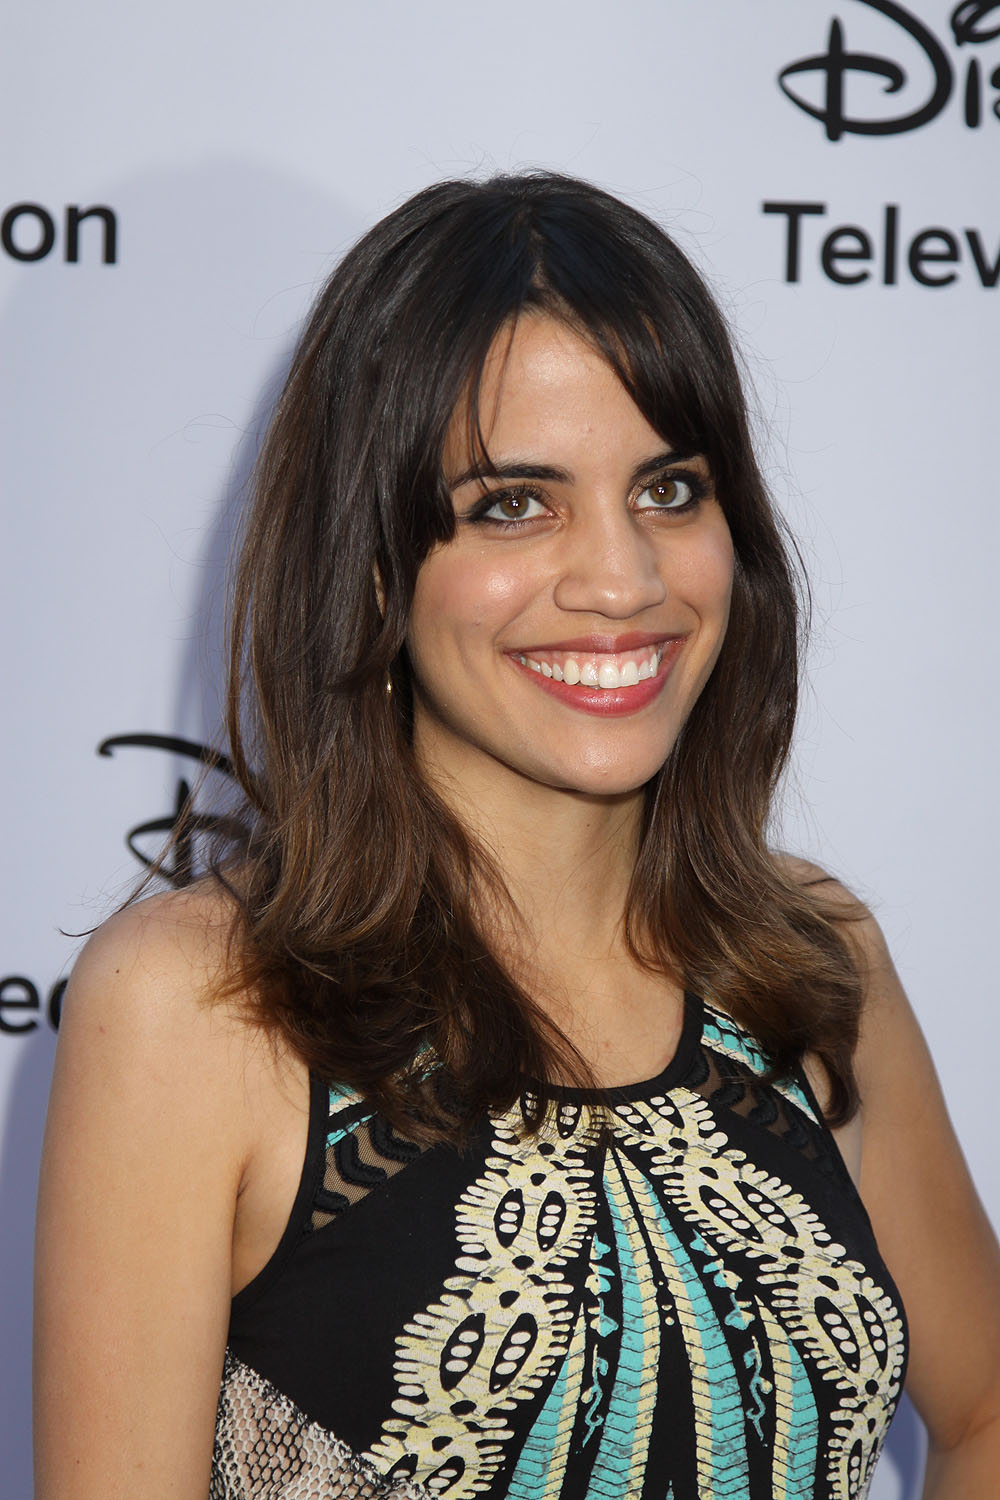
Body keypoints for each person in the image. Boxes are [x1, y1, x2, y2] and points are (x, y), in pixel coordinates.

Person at [33, 173, 1000, 1500]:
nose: (623, 580)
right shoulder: (200, 1005)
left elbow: (985, 1407)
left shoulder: (807, 957)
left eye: (670, 490)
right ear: (377, 566)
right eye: (513, 504)